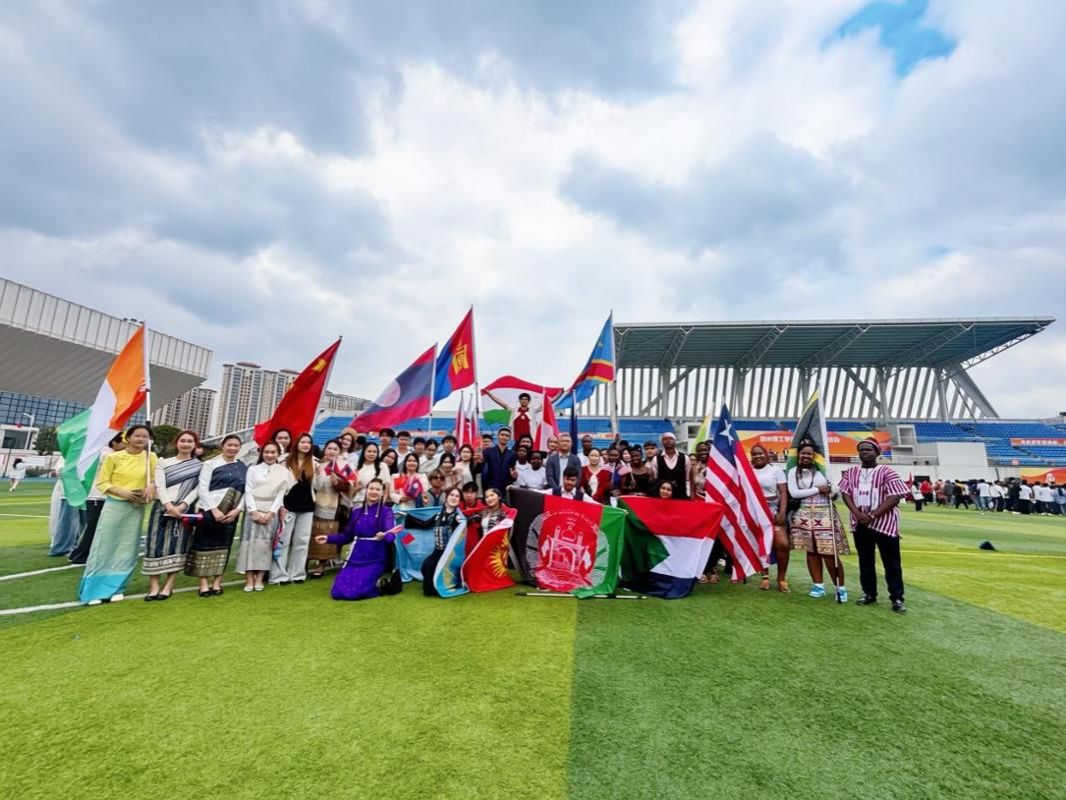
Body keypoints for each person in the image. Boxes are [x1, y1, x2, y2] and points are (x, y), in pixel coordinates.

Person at [78, 425, 158, 605]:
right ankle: (93, 591)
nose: (141, 439)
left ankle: (117, 587)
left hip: (135, 508)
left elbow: (155, 478)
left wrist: (151, 487)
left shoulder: (151, 457)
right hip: (115, 505)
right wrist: (122, 492)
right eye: (137, 436)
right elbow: (103, 483)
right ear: (127, 438)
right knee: (104, 545)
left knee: (127, 548)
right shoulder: (113, 457)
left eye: (145, 437)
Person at [839, 437, 909, 613]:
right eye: (861, 449)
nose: (865, 452)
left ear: (877, 452)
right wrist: (857, 514)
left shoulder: (887, 472)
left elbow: (895, 496)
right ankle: (869, 593)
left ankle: (897, 597)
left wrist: (873, 515)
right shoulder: (851, 472)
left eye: (869, 449)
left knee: (891, 563)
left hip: (884, 523)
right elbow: (846, 493)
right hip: (860, 523)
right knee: (865, 561)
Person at [312, 477, 397, 600]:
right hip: (355, 558)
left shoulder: (386, 512)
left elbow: (391, 535)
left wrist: (384, 535)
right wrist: (328, 538)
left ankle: (378, 584)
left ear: (383, 492)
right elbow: (347, 536)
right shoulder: (356, 512)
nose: (374, 492)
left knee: (355, 593)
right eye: (371, 488)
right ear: (366, 490)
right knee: (337, 592)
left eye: (377, 489)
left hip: (375, 558)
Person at [143, 429, 203, 600]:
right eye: (182, 440)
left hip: (185, 509)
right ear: (176, 443)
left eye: (190, 441)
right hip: (162, 507)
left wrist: (183, 505)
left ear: (195, 445)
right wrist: (169, 506)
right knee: (155, 545)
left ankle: (168, 586)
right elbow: (160, 486)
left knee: (179, 546)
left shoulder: (200, 466)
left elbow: (197, 489)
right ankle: (154, 586)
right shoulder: (163, 462)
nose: (186, 444)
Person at [186, 434, 247, 597]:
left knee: (224, 548)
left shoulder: (243, 467)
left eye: (236, 445)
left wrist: (238, 510)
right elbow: (202, 488)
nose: (232, 448)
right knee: (203, 546)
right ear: (222, 446)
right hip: (209, 510)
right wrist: (214, 510)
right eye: (229, 445)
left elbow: (246, 491)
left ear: (240, 448)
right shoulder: (210, 464)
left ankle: (217, 583)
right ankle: (203, 584)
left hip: (231, 513)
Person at [787, 441, 848, 602]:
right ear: (798, 454)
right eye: (803, 453)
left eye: (809, 453)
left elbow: (835, 492)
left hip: (824, 513)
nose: (806, 456)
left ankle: (840, 587)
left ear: (814, 456)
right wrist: (818, 489)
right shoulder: (793, 471)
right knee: (811, 551)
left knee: (829, 552)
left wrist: (832, 491)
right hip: (804, 514)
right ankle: (818, 585)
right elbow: (794, 493)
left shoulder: (823, 469)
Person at [238, 441, 291, 593]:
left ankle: (260, 578)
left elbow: (281, 493)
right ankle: (249, 579)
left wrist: (271, 513)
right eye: (267, 452)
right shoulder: (253, 469)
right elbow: (248, 490)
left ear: (278, 454)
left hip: (271, 511)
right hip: (253, 510)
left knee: (265, 546)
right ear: (262, 453)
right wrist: (253, 511)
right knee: (249, 545)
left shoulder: (283, 471)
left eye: (273, 452)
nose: (269, 455)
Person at [69, 434, 126, 564]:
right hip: (98, 496)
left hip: (96, 495)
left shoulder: (101, 452)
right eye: (123, 443)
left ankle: (78, 553)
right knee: (94, 528)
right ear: (114, 443)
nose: (125, 446)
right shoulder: (107, 454)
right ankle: (82, 555)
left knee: (93, 527)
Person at [404, 486, 466, 596]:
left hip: (449, 554)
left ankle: (443, 586)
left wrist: (462, 522)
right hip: (437, 551)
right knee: (426, 566)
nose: (454, 497)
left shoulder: (458, 518)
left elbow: (461, 535)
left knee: (430, 567)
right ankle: (433, 587)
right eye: (451, 495)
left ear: (459, 500)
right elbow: (424, 524)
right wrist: (407, 516)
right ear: (446, 497)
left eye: (457, 496)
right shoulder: (438, 515)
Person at [272, 433, 316, 585]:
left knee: (302, 541)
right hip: (288, 506)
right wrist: (280, 505)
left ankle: (297, 573)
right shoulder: (284, 461)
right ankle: (278, 575)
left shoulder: (314, 463)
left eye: (308, 442)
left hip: (307, 506)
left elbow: (317, 485)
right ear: (297, 443)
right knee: (283, 541)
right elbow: (278, 485)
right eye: (303, 442)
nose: (306, 445)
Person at [308, 439, 354, 578]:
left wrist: (338, 482)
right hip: (315, 503)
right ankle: (306, 561)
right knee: (311, 534)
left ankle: (322, 564)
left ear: (339, 451)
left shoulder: (344, 467)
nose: (332, 451)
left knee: (327, 533)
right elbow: (314, 486)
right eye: (329, 448)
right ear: (325, 449)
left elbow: (350, 486)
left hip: (333, 505)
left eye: (335, 449)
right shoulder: (317, 465)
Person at [749, 443, 790, 592]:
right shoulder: (748, 471)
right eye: (754, 454)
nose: (758, 456)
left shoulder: (776, 470)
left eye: (760, 453)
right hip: (756, 511)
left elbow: (783, 493)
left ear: (766, 455)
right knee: (762, 545)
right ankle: (765, 577)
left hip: (773, 510)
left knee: (783, 544)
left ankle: (781, 579)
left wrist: (782, 512)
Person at [651, 431, 688, 499]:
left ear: (675, 441)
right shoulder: (656, 459)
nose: (668, 441)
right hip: (662, 496)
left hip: (681, 495)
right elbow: (655, 478)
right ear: (662, 442)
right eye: (665, 439)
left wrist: (689, 494)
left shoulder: (685, 458)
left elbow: (687, 478)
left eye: (671, 438)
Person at [481, 427, 517, 495]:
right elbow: (482, 469)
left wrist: (514, 477)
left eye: (507, 436)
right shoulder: (488, 451)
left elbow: (512, 472)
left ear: (509, 438)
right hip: (490, 488)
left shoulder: (512, 454)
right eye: (502, 434)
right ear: (498, 436)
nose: (504, 437)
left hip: (505, 488)